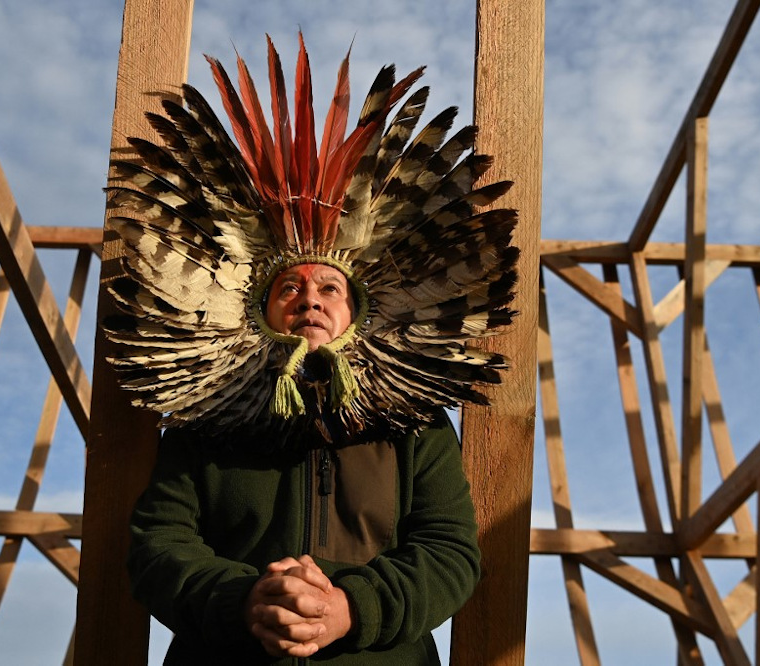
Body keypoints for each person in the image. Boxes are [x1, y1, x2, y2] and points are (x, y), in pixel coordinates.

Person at [103, 34, 518, 665]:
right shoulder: (206, 417)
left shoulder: (414, 422)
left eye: (329, 287)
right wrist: (245, 601)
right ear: (259, 306)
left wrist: (352, 609)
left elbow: (449, 551)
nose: (310, 299)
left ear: (357, 309)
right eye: (289, 287)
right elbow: (159, 545)